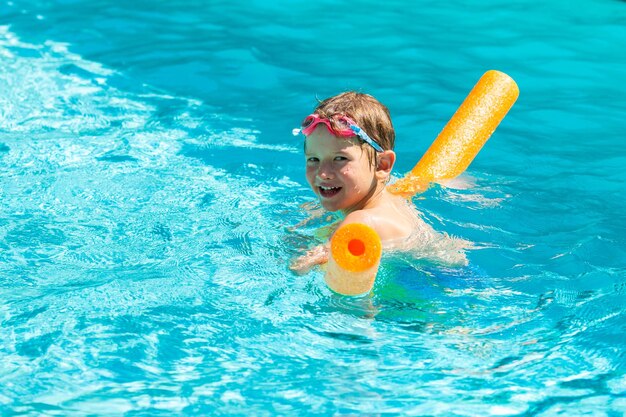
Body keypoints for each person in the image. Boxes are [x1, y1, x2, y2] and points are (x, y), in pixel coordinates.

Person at [289, 91, 468, 275]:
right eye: (313, 160)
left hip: (429, 281)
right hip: (457, 273)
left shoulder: (361, 220)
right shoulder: (393, 194)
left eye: (340, 158)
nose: (323, 173)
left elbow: (304, 265)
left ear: (382, 165)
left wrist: (294, 256)